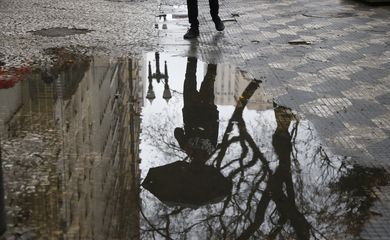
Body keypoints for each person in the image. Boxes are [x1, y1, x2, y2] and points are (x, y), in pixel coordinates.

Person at [174, 57, 219, 168]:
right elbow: (177, 131)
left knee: (204, 79)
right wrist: (185, 145)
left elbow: (178, 131)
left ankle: (207, 57)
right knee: (200, 79)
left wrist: (185, 145)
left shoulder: (208, 149)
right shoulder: (208, 149)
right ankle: (204, 57)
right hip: (197, 108)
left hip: (199, 108)